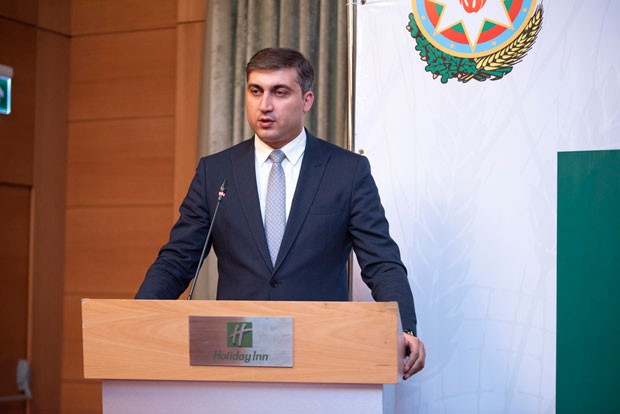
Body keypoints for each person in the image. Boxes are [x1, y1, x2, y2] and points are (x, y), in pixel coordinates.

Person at [136, 47, 425, 379]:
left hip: (320, 352)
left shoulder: (347, 172)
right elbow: (178, 259)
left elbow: (381, 261)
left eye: (280, 92)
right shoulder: (216, 172)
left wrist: (405, 327)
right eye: (255, 91)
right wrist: (137, 317)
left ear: (306, 100)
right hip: (235, 353)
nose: (265, 105)